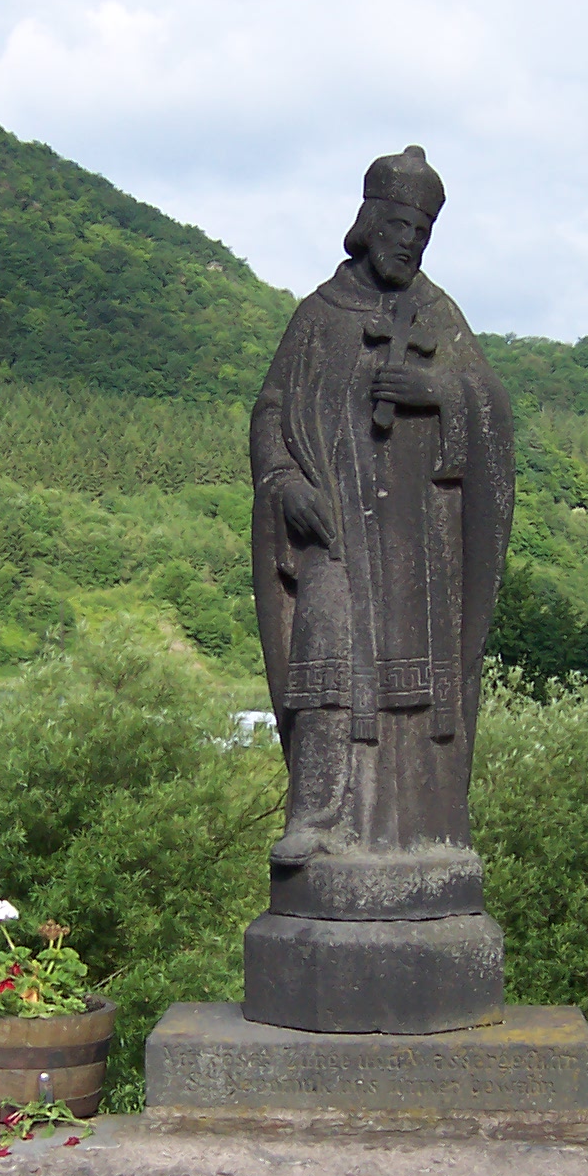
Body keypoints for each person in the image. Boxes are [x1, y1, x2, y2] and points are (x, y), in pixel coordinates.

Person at [250, 147, 513, 898]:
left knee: (418, 689)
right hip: (333, 527)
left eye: (422, 235)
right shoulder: (317, 317)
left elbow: (489, 406)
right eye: (400, 228)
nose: (410, 245)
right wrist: (284, 482)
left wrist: (439, 391)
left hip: (416, 544)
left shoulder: (437, 316)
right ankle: (316, 816)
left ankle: (424, 830)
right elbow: (270, 411)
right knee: (325, 647)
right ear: (368, 223)